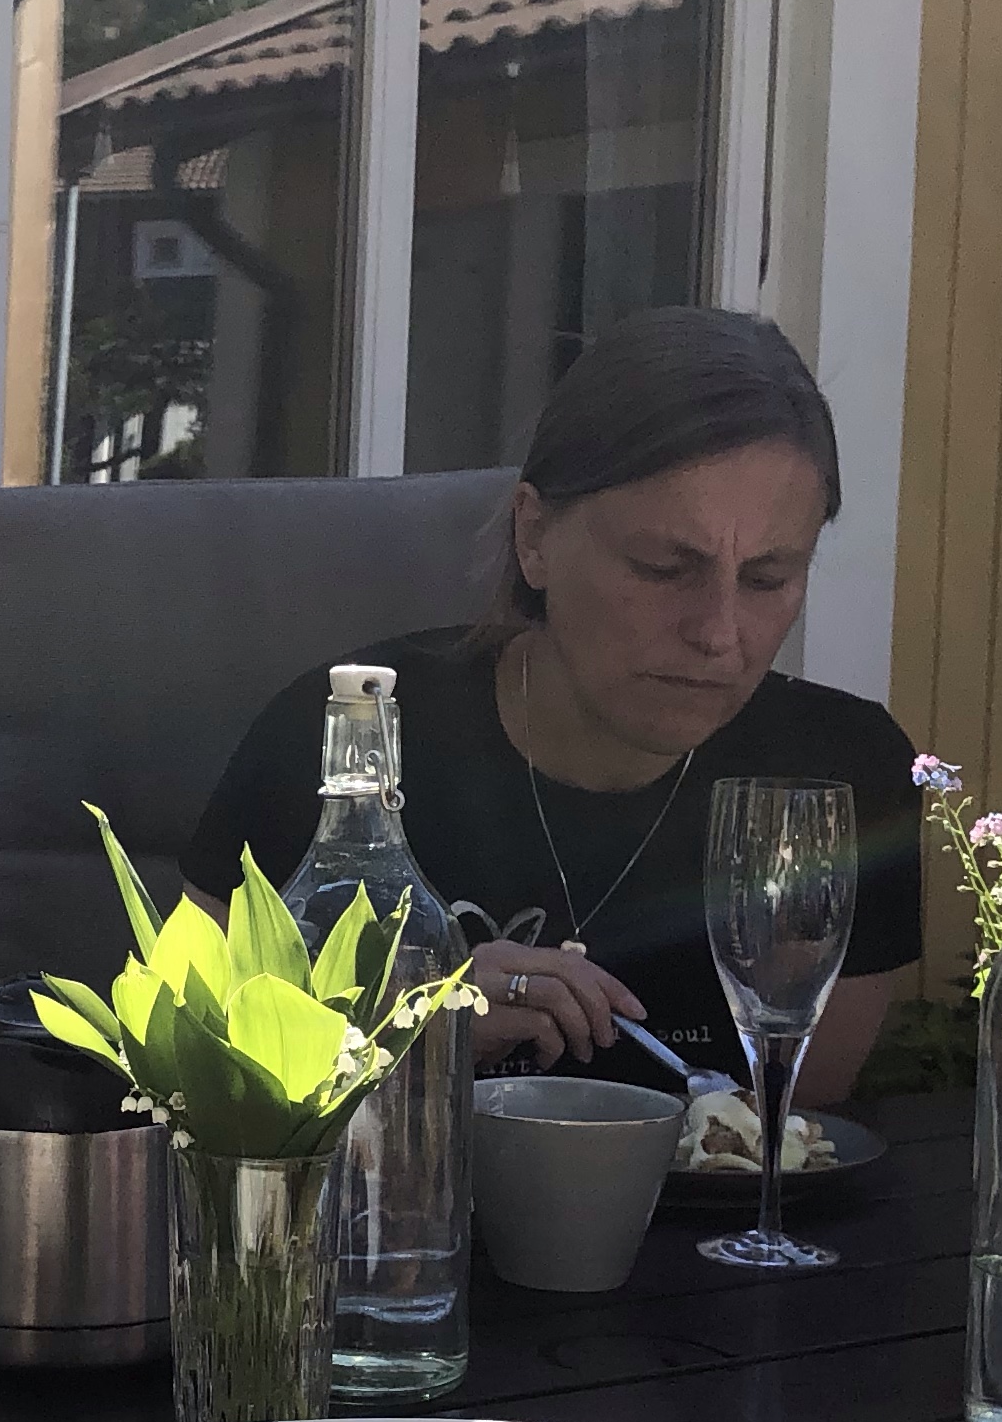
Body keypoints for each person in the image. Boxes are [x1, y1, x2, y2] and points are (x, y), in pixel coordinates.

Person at [188, 307, 922, 1103]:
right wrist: (401, 1038)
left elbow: (798, 1132)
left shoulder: (840, 776)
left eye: (768, 579)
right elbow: (186, 1072)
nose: (718, 633)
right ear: (534, 535)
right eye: (662, 568)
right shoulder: (349, 737)